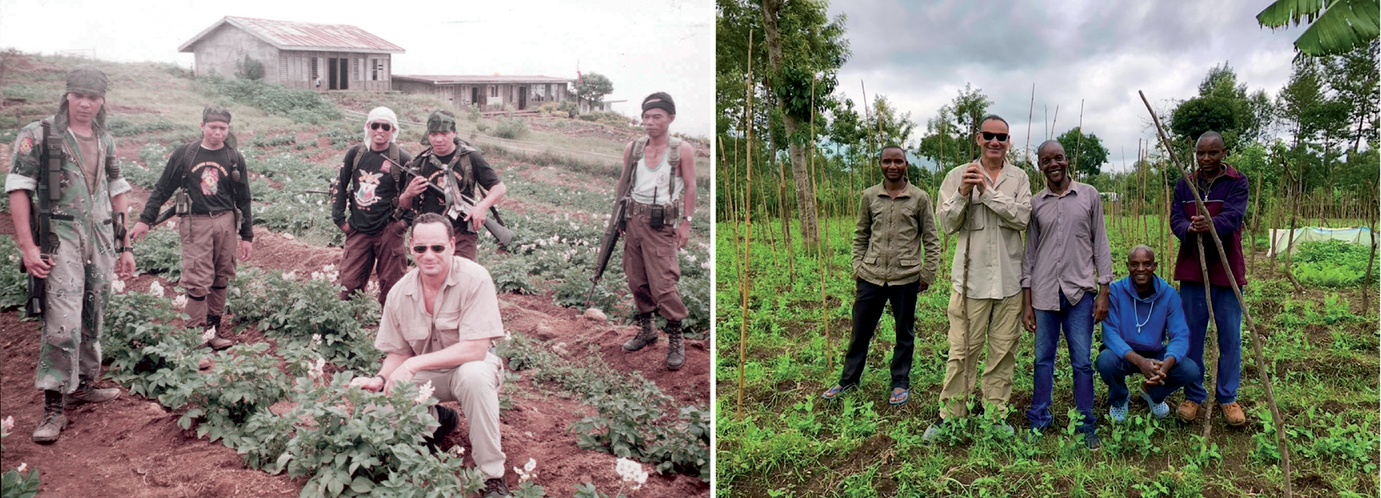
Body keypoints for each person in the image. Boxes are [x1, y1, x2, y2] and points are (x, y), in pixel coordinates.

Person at [7, 65, 136, 443]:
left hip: (99, 236)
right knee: (62, 318)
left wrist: (125, 244)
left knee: (93, 310)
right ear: (67, 95)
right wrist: (28, 246)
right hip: (58, 235)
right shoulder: (39, 134)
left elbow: (118, 191)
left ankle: (81, 385)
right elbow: (19, 189)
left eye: (93, 97)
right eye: (79, 95)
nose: (85, 103)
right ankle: (53, 403)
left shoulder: (105, 139)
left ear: (102, 101)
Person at [348, 213, 511, 498]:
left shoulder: (475, 278)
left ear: (451, 245)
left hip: (473, 367)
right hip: (430, 375)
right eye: (421, 248)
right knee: (376, 409)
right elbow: (398, 353)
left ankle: (492, 477)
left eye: (437, 248)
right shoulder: (400, 293)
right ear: (411, 246)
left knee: (473, 377)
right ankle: (437, 418)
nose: (429, 255)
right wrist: (381, 378)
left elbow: (475, 349)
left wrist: (413, 364)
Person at [928, 115, 1032, 439]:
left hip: (1009, 283)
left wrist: (986, 193)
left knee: (1003, 353)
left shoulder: (1020, 178)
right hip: (970, 284)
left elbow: (1023, 217)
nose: (995, 142)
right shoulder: (958, 176)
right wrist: (962, 193)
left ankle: (996, 416)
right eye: (989, 136)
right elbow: (946, 225)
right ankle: (952, 417)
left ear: (1009, 141)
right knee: (962, 353)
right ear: (978, 139)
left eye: (1002, 137)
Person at [821, 145, 941, 406]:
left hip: (906, 277)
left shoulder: (919, 198)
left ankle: (900, 382)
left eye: (898, 161)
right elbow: (861, 234)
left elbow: (932, 238)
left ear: (906, 165)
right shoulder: (870, 196)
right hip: (871, 276)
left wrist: (928, 274)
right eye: (888, 161)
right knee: (860, 331)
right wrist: (858, 266)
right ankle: (849, 380)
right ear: (880, 165)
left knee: (904, 333)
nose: (893, 166)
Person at [131, 105, 253, 351]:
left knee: (222, 277)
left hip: (226, 221)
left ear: (228, 129)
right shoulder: (185, 154)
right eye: (212, 127)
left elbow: (244, 198)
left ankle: (213, 332)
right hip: (195, 223)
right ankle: (194, 338)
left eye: (223, 128)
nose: (217, 132)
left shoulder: (234, 158)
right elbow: (163, 188)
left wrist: (247, 235)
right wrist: (145, 219)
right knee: (198, 280)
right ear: (202, 126)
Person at [1020, 140, 1112, 449]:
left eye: (1058, 158)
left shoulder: (1089, 196)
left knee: (1082, 362)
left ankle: (1087, 424)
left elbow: (1101, 244)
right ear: (1040, 166)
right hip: (1044, 293)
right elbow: (1029, 253)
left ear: (1067, 160)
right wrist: (1026, 302)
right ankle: (1039, 419)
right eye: (1047, 160)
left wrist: (1104, 290)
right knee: (1043, 359)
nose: (1053, 164)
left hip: (1079, 293)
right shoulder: (1035, 204)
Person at [1170, 131, 1250, 427]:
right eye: (1201, 154)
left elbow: (1234, 217)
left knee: (1230, 337)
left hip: (1227, 271)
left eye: (1212, 153)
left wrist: (1211, 224)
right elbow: (1176, 218)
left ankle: (1228, 397)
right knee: (1191, 335)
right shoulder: (1185, 183)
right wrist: (1190, 230)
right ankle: (1194, 394)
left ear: (1223, 153)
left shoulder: (1237, 182)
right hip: (1193, 271)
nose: (1205, 159)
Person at [614, 92, 698, 371]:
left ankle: (675, 337)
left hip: (661, 225)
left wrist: (686, 222)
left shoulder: (680, 150)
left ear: (670, 118)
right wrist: (619, 219)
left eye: (656, 117)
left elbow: (690, 185)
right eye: (646, 117)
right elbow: (624, 183)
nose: (649, 122)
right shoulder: (634, 148)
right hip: (634, 219)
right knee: (636, 279)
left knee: (663, 283)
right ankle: (648, 330)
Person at [1097, 246, 1201, 423]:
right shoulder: (1115, 292)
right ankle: (1120, 399)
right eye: (1134, 264)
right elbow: (1110, 333)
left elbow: (1180, 335)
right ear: (1127, 266)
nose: (1140, 269)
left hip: (1156, 354)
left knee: (1190, 370)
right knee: (1106, 360)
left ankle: (1152, 393)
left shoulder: (1169, 295)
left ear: (1155, 266)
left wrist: (1166, 364)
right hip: (1125, 354)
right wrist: (1140, 362)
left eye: (1147, 264)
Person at [330, 107, 413, 305]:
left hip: (388, 230)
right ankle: (349, 330)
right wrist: (340, 220)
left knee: (392, 287)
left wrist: (403, 224)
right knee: (348, 284)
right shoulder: (356, 153)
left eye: (386, 126)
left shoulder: (402, 159)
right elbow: (340, 184)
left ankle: (392, 332)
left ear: (393, 130)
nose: (380, 130)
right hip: (358, 229)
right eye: (375, 125)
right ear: (368, 126)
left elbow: (414, 195)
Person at [399, 110, 507, 262]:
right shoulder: (419, 163)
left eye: (444, 134)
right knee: (434, 279)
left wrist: (481, 207)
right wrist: (408, 193)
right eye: (434, 134)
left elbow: (499, 187)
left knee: (464, 277)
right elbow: (404, 205)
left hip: (462, 231)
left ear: (454, 133)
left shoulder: (470, 158)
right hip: (431, 234)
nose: (439, 139)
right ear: (428, 136)